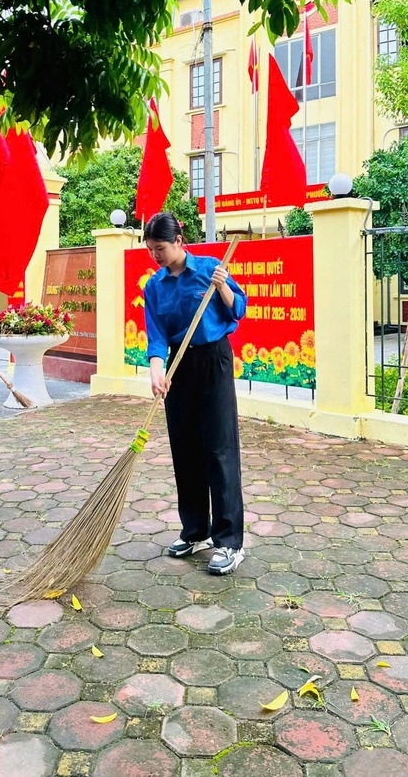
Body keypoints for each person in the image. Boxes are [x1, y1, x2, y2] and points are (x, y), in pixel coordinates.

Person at [143, 212, 247, 575]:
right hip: (179, 364)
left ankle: (230, 541)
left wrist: (222, 288)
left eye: (160, 248)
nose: (155, 255)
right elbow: (155, 333)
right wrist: (157, 368)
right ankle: (195, 530)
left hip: (214, 359)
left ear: (178, 241)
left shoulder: (209, 268)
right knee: (184, 447)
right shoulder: (154, 286)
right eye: (150, 249)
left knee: (219, 448)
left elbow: (239, 310)